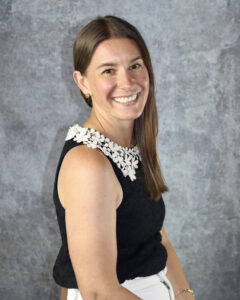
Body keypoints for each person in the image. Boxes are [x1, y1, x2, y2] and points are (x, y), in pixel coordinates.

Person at [52, 15, 195, 300]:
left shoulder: (129, 143)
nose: (127, 82)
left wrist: (185, 294)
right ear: (82, 82)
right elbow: (97, 291)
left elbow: (158, 236)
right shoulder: (88, 163)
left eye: (135, 66)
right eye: (108, 71)